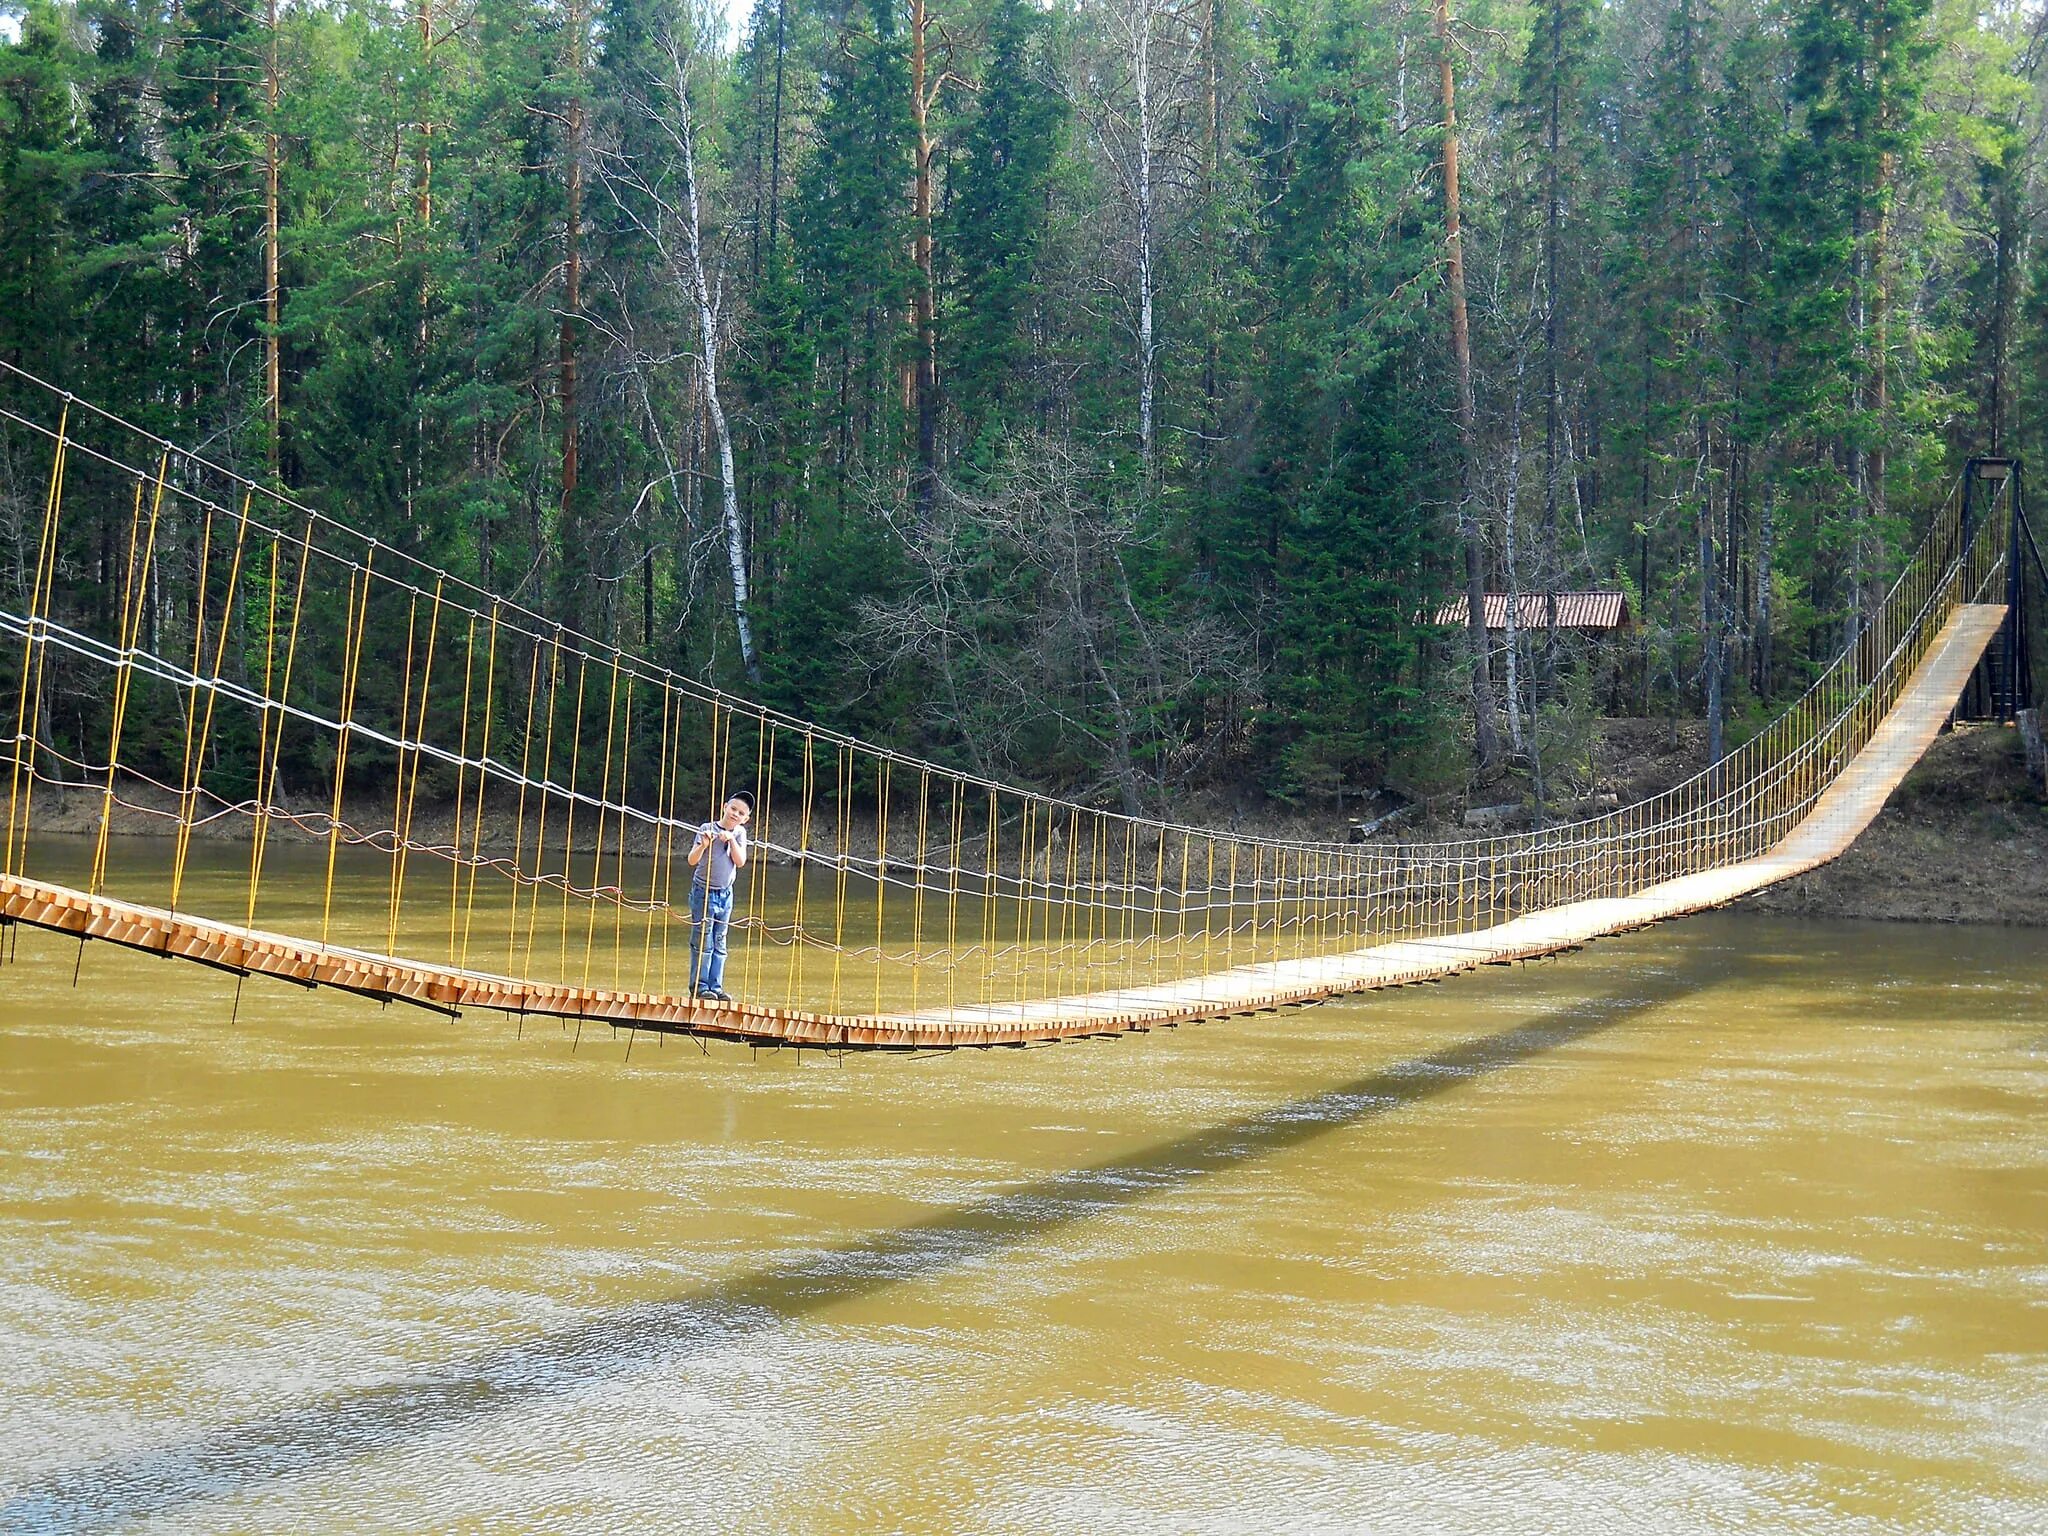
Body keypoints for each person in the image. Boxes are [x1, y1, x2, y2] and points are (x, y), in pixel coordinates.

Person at [685, 789, 752, 1002]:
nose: (735, 814)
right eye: (733, 808)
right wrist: (704, 845)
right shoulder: (707, 828)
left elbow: (740, 861)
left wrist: (731, 839)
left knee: (720, 941)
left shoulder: (740, 834)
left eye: (741, 813)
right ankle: (700, 987)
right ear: (724, 806)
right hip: (702, 892)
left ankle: (716, 986)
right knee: (703, 940)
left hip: (726, 895)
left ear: (746, 819)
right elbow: (692, 860)